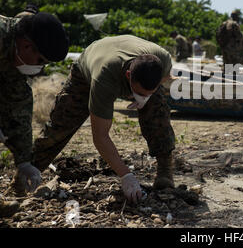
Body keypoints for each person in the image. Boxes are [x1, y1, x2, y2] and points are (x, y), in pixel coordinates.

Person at [29, 35, 176, 204]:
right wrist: (126, 175)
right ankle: (29, 171)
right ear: (128, 76)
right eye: (140, 93)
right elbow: (100, 136)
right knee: (62, 123)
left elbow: (165, 78)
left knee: (157, 108)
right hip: (88, 70)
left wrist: (147, 97)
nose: (143, 97)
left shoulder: (162, 58)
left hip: (126, 57)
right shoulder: (104, 78)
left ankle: (165, 170)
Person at [0, 12, 69, 216]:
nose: (40, 69)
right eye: (40, 60)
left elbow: (18, 111)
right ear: (26, 44)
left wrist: (24, 162)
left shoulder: (15, 62)